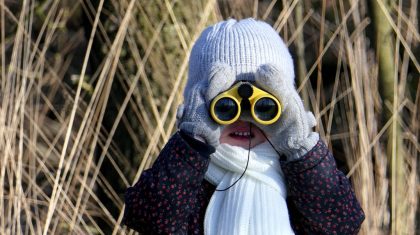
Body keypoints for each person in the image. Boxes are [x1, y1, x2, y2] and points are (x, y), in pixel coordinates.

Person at [123, 18, 365, 235]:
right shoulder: (190, 177)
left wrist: (300, 150)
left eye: (264, 107)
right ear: (198, 106)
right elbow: (150, 218)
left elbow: (342, 225)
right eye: (226, 106)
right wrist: (192, 143)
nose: (245, 119)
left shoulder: (297, 180)